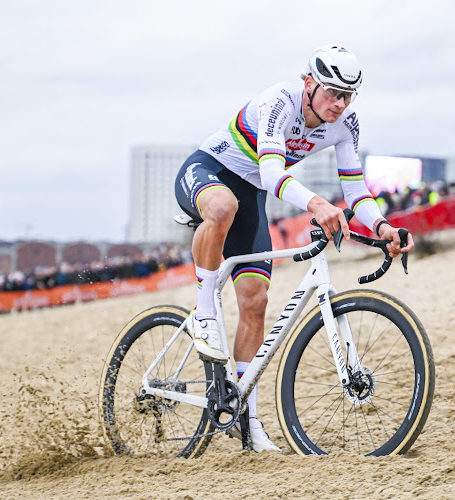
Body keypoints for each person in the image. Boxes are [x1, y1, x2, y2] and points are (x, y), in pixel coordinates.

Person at [174, 45, 413, 452]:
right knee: (222, 205)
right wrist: (317, 203)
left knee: (255, 300)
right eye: (331, 93)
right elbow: (270, 171)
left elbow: (355, 189)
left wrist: (383, 225)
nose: (339, 104)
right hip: (208, 171)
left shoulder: (346, 123)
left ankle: (246, 419)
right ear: (308, 84)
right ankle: (204, 313)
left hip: (249, 198)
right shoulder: (279, 101)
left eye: (347, 95)